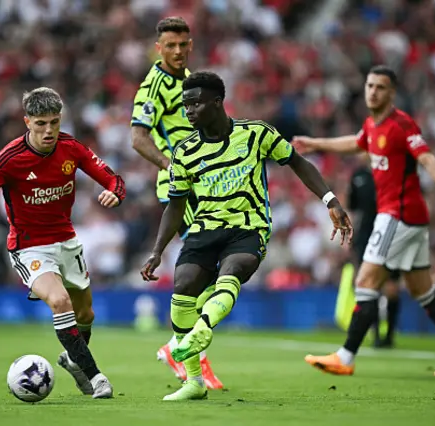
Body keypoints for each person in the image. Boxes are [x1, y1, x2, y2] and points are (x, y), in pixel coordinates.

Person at [140, 71, 353, 401]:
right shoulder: (184, 152)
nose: (189, 111)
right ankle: (194, 382)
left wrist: (331, 201)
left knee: (233, 271)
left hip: (249, 228)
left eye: (195, 104)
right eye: (185, 105)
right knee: (182, 285)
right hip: (205, 230)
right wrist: (157, 251)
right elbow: (176, 205)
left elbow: (297, 162)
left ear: (217, 102)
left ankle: (203, 327)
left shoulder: (256, 134)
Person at [293, 65, 435, 376]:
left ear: (391, 93)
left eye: (380, 87)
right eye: (369, 86)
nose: (372, 92)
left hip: (398, 215)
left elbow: (427, 157)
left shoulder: (401, 125)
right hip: (408, 218)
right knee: (423, 290)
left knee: (365, 281)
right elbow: (356, 142)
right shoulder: (372, 125)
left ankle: (346, 356)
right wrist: (316, 143)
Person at [0, 87, 125, 398]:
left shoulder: (71, 148)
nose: (49, 131)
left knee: (86, 315)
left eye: (55, 122)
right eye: (41, 123)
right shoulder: (9, 159)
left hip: (67, 240)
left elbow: (112, 177)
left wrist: (115, 192)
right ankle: (95, 376)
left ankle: (74, 361)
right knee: (60, 302)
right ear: (27, 122)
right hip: (28, 246)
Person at [130, 16, 222, 389]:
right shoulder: (153, 86)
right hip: (180, 186)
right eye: (171, 46)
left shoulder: (190, 81)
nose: (179, 51)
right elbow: (137, 138)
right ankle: (186, 352)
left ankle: (179, 346)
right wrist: (172, 165)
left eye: (184, 45)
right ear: (159, 48)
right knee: (201, 267)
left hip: (204, 183)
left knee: (210, 270)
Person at [341, 159, 401, 348]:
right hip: (366, 235)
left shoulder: (392, 170)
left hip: (391, 232)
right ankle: (376, 335)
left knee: (391, 288)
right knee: (370, 286)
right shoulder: (358, 176)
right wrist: (348, 232)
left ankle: (389, 335)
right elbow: (352, 207)